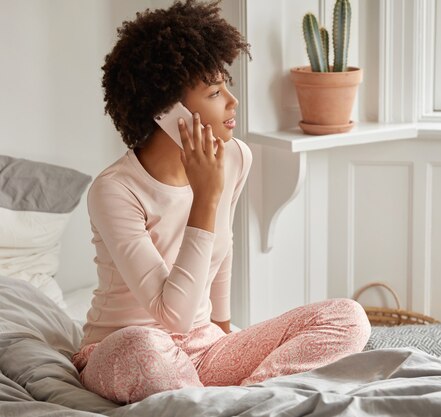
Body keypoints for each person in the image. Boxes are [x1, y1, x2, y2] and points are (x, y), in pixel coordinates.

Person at [72, 0, 371, 405]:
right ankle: (227, 402)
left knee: (347, 316)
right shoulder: (115, 190)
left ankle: (244, 401)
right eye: (215, 92)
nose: (232, 101)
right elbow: (171, 316)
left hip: (204, 351)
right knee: (144, 345)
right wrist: (206, 197)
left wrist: (225, 331)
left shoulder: (233, 157)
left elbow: (220, 256)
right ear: (166, 113)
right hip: (124, 351)